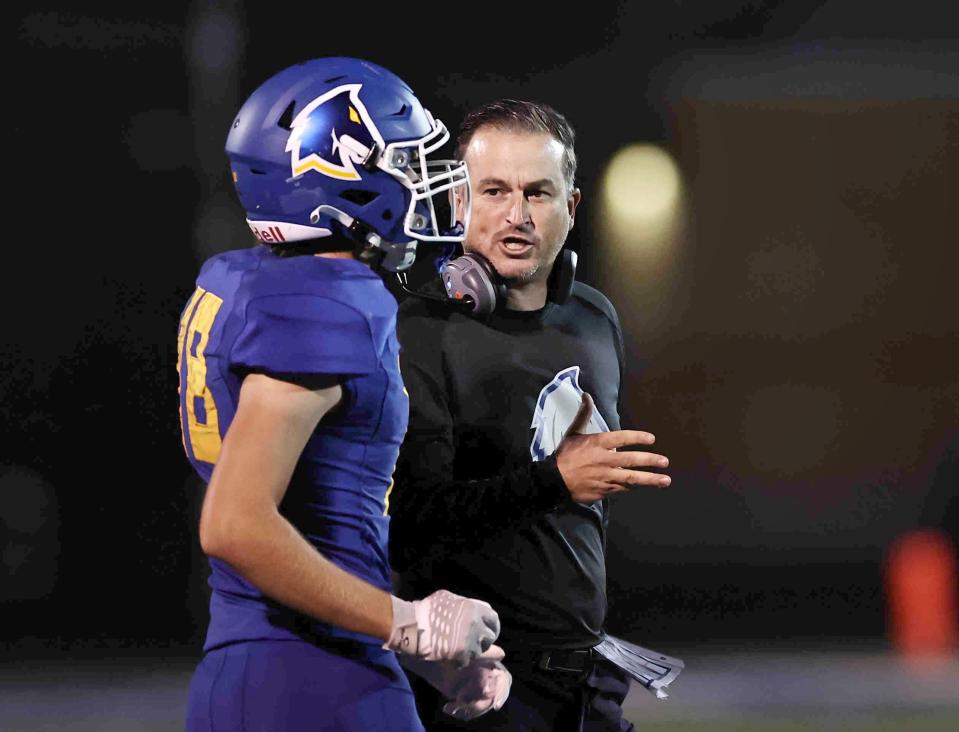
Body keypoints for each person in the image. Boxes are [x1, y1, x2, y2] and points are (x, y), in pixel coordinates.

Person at [177, 57, 510, 732]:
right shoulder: (328, 302)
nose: (425, 183)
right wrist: (406, 623)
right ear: (337, 169)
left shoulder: (242, 279)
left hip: (248, 670)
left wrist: (423, 654)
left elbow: (317, 525)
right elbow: (235, 524)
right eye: (406, 162)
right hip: (318, 682)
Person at [389, 99, 676, 731]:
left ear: (571, 208)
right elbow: (409, 524)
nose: (517, 215)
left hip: (587, 676)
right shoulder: (418, 332)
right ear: (458, 202)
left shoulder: (594, 316)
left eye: (538, 193)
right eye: (494, 191)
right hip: (479, 689)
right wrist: (554, 480)